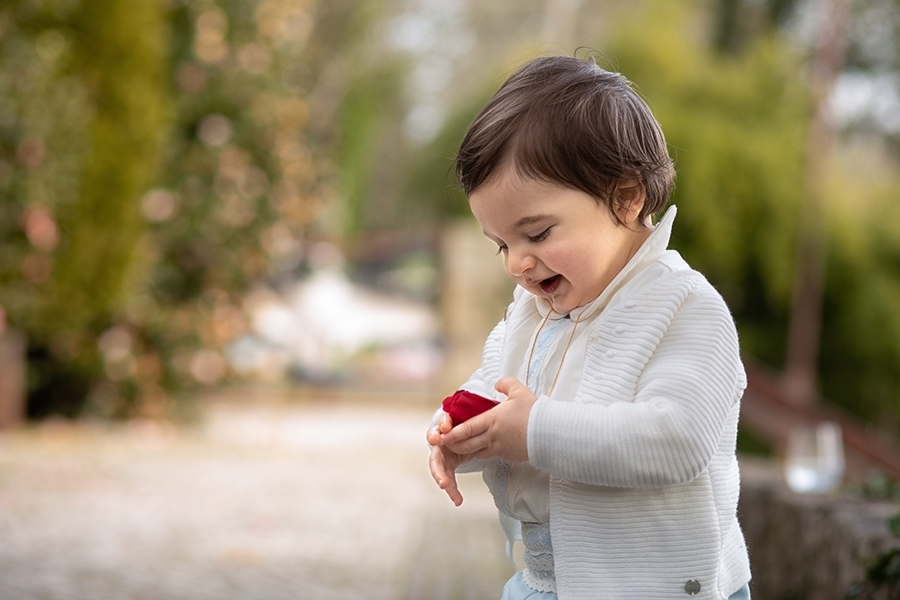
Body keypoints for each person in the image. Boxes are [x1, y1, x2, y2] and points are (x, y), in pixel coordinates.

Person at [426, 55, 752, 600]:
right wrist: (463, 430)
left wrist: (535, 431)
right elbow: (496, 388)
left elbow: (678, 440)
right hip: (543, 581)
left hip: (656, 589)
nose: (517, 263)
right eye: (502, 244)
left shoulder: (685, 307)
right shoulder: (532, 313)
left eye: (537, 233)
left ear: (626, 197)